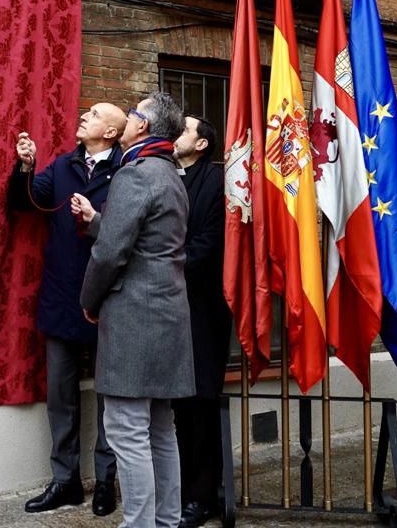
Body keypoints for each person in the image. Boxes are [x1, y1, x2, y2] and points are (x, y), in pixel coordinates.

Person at [77, 91, 194, 528]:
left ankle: (140, 524)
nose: (126, 117)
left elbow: (110, 254)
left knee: (127, 432)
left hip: (134, 318)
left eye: (130, 113)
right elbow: (146, 239)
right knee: (161, 431)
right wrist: (97, 220)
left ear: (141, 126)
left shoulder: (136, 174)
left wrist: (89, 301)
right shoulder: (169, 173)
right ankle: (165, 522)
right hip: (168, 315)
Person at [7, 102, 128, 515]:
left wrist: (96, 217)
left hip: (109, 298)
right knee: (61, 396)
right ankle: (66, 481)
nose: (83, 116)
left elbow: (129, 235)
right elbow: (24, 202)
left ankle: (107, 480)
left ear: (111, 133)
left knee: (111, 397)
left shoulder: (128, 172)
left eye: (94, 115)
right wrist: (26, 166)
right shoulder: (62, 166)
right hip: (62, 297)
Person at [171, 115, 228, 528]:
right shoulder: (168, 175)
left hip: (203, 308)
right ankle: (181, 488)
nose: (175, 136)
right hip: (167, 309)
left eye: (183, 130)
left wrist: (162, 270)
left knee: (201, 404)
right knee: (176, 405)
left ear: (202, 144)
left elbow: (210, 244)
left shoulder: (217, 182)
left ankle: (203, 495)